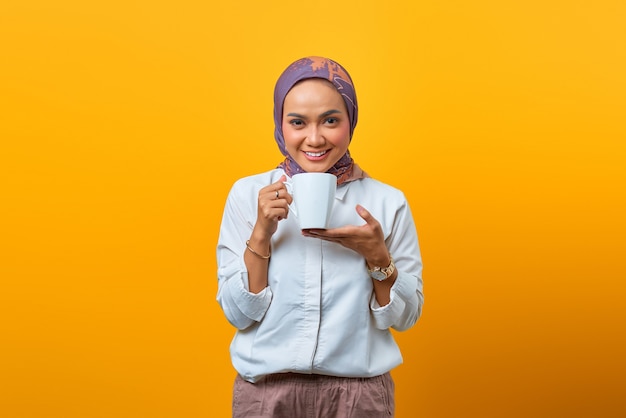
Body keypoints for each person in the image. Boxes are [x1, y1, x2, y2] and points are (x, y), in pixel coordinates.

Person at [216, 56, 424, 418]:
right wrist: (262, 232)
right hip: (267, 395)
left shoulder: (387, 202)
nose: (314, 138)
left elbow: (405, 318)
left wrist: (378, 258)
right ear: (281, 125)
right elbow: (237, 314)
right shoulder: (248, 195)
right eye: (298, 122)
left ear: (351, 122)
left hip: (359, 398)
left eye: (331, 120)